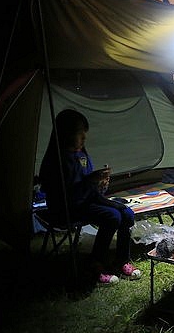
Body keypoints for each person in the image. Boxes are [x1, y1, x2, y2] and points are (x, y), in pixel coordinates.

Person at [39, 109, 141, 285]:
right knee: (112, 216)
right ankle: (94, 266)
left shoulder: (82, 155)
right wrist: (90, 182)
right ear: (65, 134)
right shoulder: (56, 160)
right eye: (80, 134)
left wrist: (100, 184)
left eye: (84, 134)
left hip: (86, 202)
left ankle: (122, 260)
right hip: (66, 207)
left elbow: (89, 188)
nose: (84, 138)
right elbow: (66, 194)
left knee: (127, 213)